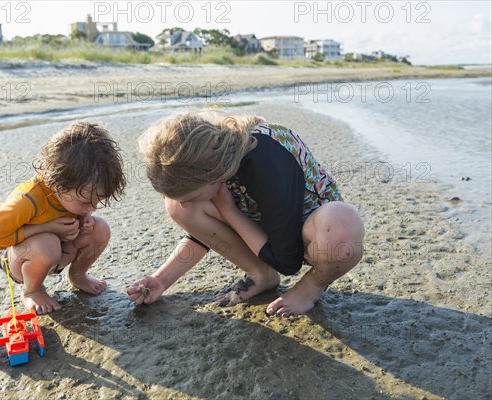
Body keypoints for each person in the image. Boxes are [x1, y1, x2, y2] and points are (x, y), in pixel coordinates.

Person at [127, 111, 365, 317]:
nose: (188, 205)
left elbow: (288, 261)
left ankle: (311, 286)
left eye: (192, 196)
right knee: (175, 205)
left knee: (341, 224)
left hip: (311, 233)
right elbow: (204, 235)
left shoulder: (264, 160)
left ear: (214, 175)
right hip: (262, 221)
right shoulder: (214, 159)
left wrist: (229, 211)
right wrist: (161, 279)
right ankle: (261, 274)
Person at [0, 122, 126, 314]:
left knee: (100, 228)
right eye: (85, 202)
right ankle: (32, 290)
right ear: (55, 183)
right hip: (19, 260)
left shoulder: (74, 192)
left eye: (98, 201)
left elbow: (81, 211)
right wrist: (47, 227)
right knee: (47, 243)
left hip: (56, 252)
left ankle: (78, 275)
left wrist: (84, 219)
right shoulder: (26, 201)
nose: (92, 207)